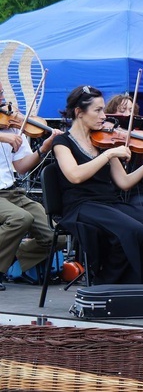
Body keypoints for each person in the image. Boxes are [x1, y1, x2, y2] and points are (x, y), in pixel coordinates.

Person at [52, 85, 143, 284]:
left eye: (103, 109)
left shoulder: (104, 140)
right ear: (79, 112)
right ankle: (105, 283)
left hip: (109, 203)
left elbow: (125, 182)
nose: (104, 116)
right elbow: (75, 176)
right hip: (81, 205)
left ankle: (138, 282)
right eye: (98, 110)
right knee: (133, 230)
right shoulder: (63, 142)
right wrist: (109, 154)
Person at [0, 85, 65, 290]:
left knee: (56, 236)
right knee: (20, 219)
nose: (3, 98)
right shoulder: (6, 133)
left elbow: (21, 167)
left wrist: (44, 147)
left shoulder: (12, 125)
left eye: (1, 93)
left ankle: (12, 253)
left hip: (11, 192)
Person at [104, 94, 143, 209]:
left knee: (141, 205)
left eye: (131, 111)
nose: (127, 114)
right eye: (122, 110)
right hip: (110, 192)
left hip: (136, 193)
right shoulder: (106, 137)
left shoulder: (140, 138)